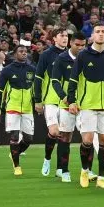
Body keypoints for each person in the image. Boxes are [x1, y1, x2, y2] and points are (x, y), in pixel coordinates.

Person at [66, 23, 104, 189]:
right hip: (87, 105)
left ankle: (101, 177)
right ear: (92, 36)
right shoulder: (83, 55)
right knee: (87, 140)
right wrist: (71, 100)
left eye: (103, 32)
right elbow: (73, 79)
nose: (101, 34)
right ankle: (85, 171)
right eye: (98, 32)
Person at [51, 32, 88, 182]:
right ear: (70, 43)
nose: (80, 48)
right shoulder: (61, 59)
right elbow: (55, 80)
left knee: (87, 137)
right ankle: (63, 170)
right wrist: (64, 97)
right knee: (65, 136)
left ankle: (87, 170)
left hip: (85, 104)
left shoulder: (87, 57)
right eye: (77, 45)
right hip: (66, 103)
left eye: (82, 45)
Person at [0, 43, 37, 176]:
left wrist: (38, 103)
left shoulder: (32, 69)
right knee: (14, 137)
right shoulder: (7, 70)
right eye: (21, 51)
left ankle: (14, 153)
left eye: (25, 51)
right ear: (15, 54)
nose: (24, 53)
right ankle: (17, 166)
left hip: (27, 109)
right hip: (12, 107)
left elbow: (36, 89)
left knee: (29, 139)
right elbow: (0, 91)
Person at [34, 28, 68, 176]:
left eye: (67, 35)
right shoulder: (46, 55)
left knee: (64, 135)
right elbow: (38, 78)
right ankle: (47, 158)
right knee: (54, 132)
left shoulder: (71, 55)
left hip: (67, 101)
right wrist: (38, 100)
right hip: (51, 100)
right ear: (54, 38)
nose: (65, 38)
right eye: (62, 35)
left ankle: (60, 168)